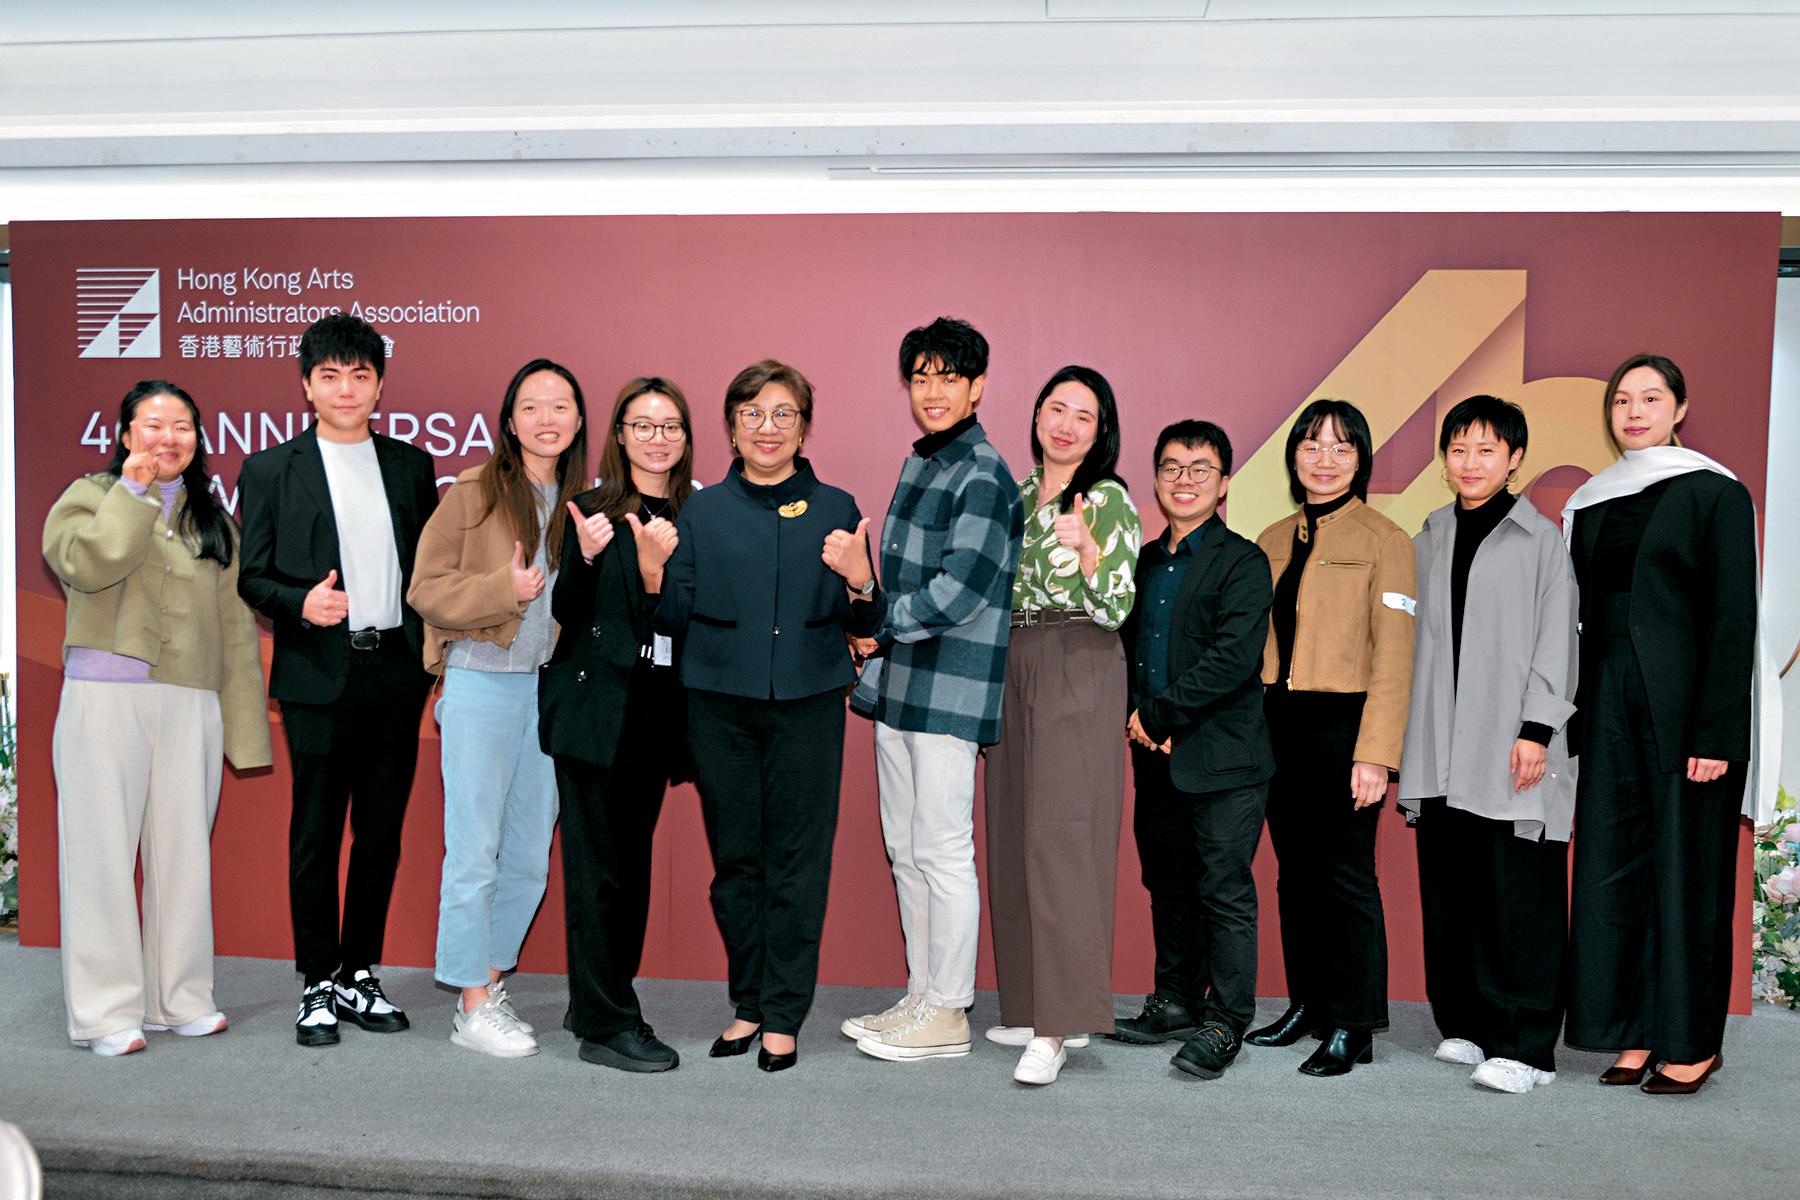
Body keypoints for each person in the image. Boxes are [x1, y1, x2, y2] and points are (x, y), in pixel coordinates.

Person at [656, 359, 878, 1073]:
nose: (768, 428)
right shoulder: (702, 512)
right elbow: (671, 618)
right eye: (752, 414)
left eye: (783, 414)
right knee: (737, 864)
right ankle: (747, 1002)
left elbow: (868, 624)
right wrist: (654, 573)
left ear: (804, 427)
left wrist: (861, 579)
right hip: (718, 709)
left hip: (808, 709)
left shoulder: (838, 508)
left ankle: (783, 1014)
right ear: (731, 428)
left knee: (797, 865)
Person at [44, 381, 273, 1056]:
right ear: (124, 436)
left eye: (182, 426)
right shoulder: (89, 497)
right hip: (103, 699)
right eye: (152, 424)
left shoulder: (214, 520)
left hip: (190, 702)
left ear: (198, 440)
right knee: (100, 856)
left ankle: (180, 999)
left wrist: (244, 730)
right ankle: (106, 1012)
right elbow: (92, 564)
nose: (168, 437)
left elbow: (236, 630)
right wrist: (134, 491)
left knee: (183, 856)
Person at [238, 313, 439, 1048]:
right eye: (330, 375)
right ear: (307, 385)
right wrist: (300, 603)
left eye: (360, 375)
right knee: (317, 835)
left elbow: (430, 571)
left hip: (394, 671)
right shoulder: (269, 469)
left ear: (380, 385)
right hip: (317, 673)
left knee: (380, 834)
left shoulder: (411, 466)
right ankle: (318, 981)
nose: (346, 388)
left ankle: (359, 972)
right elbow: (251, 576)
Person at [1562, 354, 1757, 1095]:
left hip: (1686, 718)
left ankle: (1692, 1043)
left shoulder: (1715, 492)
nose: (1634, 411)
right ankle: (1633, 1030)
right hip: (1607, 708)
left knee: (1687, 878)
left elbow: (1733, 619)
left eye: (1650, 398)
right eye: (1622, 400)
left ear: (1679, 408)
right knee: (1614, 871)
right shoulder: (1590, 502)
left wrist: (1717, 734)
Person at [845, 317, 1025, 1063]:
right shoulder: (923, 462)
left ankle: (949, 1010)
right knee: (905, 848)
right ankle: (923, 994)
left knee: (943, 850)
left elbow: (961, 592)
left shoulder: (982, 472)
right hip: (901, 686)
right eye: (920, 378)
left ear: (977, 386)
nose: (932, 391)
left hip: (950, 690)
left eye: (948, 377)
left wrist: (877, 620)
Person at [407, 359, 590, 1058]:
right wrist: (501, 590)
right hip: (481, 682)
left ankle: (487, 983)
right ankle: (470, 1006)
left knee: (528, 858)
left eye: (561, 405)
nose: (547, 418)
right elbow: (425, 588)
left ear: (578, 419)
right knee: (474, 851)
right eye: (532, 406)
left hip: (551, 690)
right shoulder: (473, 491)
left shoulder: (587, 502)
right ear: (511, 420)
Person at [1397, 396, 1578, 1095]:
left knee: (1519, 895)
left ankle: (1527, 1047)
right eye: (1458, 449)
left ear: (1514, 459)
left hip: (1512, 744)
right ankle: (1469, 1024)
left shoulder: (1541, 541)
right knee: (1454, 892)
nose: (1470, 463)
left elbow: (1557, 638)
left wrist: (1537, 729)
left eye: (1486, 450)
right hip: (1442, 747)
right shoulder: (1430, 535)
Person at [981, 366, 1140, 1085]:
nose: (1067, 425)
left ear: (1101, 431)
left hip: (1078, 653)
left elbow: (1115, 607)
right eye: (1056, 408)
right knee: (1013, 830)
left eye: (1084, 415)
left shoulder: (1106, 499)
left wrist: (1090, 553)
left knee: (1062, 837)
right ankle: (1028, 1004)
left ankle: (1060, 1023)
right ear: (1038, 415)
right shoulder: (1015, 493)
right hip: (1012, 657)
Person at [1249, 399, 1415, 1076]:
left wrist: (1375, 753)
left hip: (1344, 726)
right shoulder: (1271, 539)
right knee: (1294, 875)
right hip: (1277, 724)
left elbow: (1396, 656)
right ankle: (1308, 1005)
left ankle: (1354, 1023)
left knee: (1346, 877)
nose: (1325, 459)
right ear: (1293, 456)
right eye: (1312, 445)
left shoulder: (1385, 539)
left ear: (1361, 460)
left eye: (1342, 447)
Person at [540, 376, 695, 1072]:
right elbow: (567, 612)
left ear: (686, 438)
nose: (657, 438)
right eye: (643, 424)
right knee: (596, 872)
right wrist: (589, 556)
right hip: (595, 711)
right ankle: (606, 1026)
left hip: (658, 713)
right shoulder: (592, 510)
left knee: (629, 871)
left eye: (670, 426)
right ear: (621, 435)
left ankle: (597, 1002)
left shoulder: (698, 515)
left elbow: (692, 622)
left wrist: (660, 576)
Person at [1115, 420, 1275, 1080]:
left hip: (1224, 758)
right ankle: (1176, 999)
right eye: (1172, 468)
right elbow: (1124, 650)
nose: (1185, 480)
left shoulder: (1244, 562)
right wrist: (1137, 715)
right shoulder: (1142, 562)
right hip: (1154, 754)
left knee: (1223, 890)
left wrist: (1157, 713)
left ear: (1224, 482)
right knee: (1168, 884)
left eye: (1200, 468)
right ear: (1156, 479)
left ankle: (1227, 1020)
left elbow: (1233, 660)